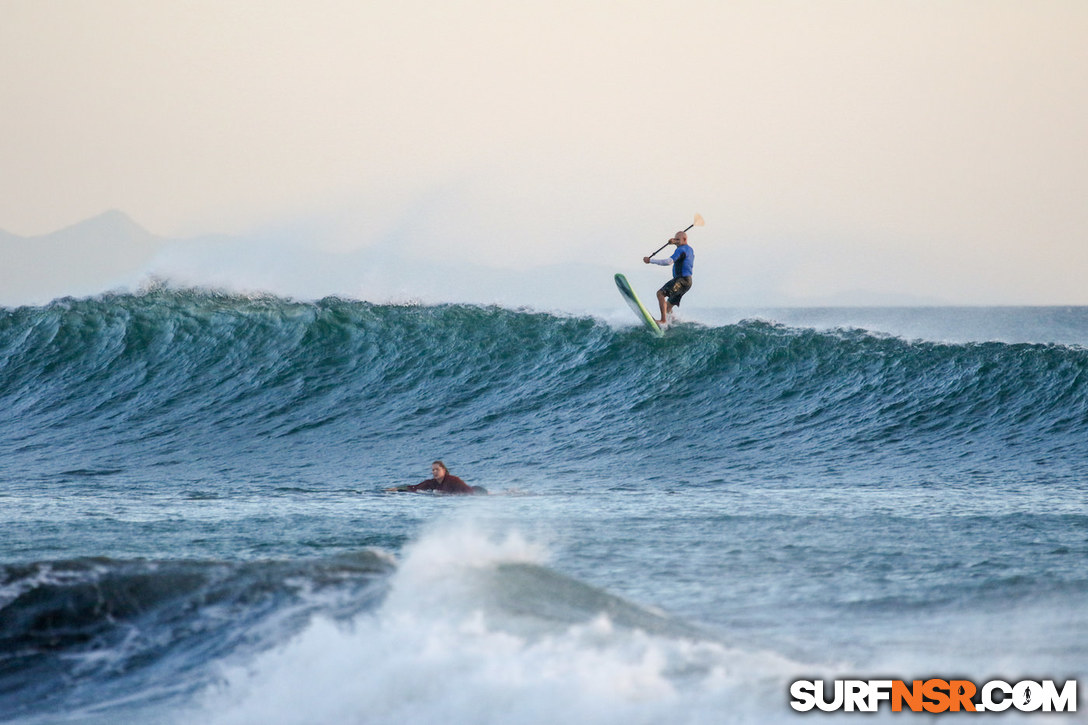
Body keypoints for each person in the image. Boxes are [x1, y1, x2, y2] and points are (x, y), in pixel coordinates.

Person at [643, 230, 694, 325]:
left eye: (678, 239)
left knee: (660, 294)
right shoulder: (689, 249)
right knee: (668, 307)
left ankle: (663, 321)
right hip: (688, 282)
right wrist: (674, 242)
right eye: (675, 239)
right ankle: (673, 323)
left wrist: (651, 260)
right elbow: (679, 243)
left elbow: (668, 262)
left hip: (682, 280)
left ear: (685, 239)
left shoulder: (681, 249)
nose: (676, 240)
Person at [386, 460, 479, 495]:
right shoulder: (431, 483)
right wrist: (398, 489)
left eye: (437, 469)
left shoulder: (453, 480)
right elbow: (415, 487)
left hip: (476, 491)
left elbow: (469, 491)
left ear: (444, 470)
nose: (434, 472)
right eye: (433, 470)